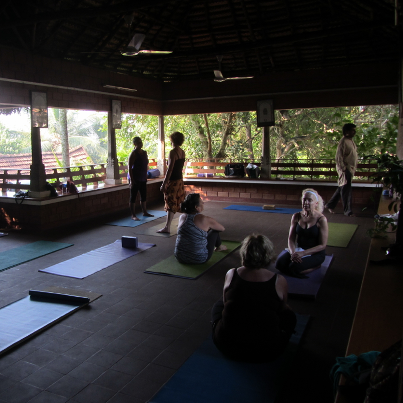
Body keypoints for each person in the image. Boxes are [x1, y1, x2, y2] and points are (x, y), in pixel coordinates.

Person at [211, 234, 296, 362]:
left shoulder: (232, 273)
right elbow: (282, 309)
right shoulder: (279, 280)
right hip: (268, 351)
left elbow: (224, 302)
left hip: (228, 346)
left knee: (218, 305)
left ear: (244, 253)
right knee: (290, 315)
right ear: (267, 255)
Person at [275, 188, 328, 278]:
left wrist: (303, 254)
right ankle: (297, 268)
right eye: (304, 200)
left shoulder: (321, 219)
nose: (306, 202)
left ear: (316, 203)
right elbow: (291, 238)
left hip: (315, 253)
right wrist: (293, 253)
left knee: (293, 268)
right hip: (299, 250)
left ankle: (316, 266)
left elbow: (323, 245)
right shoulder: (296, 216)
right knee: (279, 264)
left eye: (309, 200)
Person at [174, 193, 227, 264]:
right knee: (215, 231)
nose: (203, 203)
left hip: (179, 257)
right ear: (196, 207)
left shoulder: (182, 217)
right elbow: (222, 229)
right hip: (199, 258)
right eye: (201, 202)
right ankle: (219, 247)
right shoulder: (204, 219)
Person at [325, 123, 358, 216]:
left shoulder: (351, 141)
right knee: (346, 190)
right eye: (352, 130)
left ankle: (330, 205)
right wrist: (343, 169)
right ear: (347, 132)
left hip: (350, 169)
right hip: (345, 169)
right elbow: (338, 157)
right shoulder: (343, 142)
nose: (354, 132)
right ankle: (348, 211)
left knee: (342, 187)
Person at [157, 131, 186, 233]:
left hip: (173, 180)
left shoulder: (173, 152)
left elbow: (170, 169)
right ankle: (185, 224)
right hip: (179, 180)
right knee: (179, 201)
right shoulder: (182, 152)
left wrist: (164, 183)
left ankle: (167, 227)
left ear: (173, 140)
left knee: (170, 202)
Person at [128, 136, 154, 221]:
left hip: (143, 177)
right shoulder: (133, 153)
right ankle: (133, 215)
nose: (140, 144)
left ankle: (144, 212)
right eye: (138, 142)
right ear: (134, 144)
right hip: (135, 177)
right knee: (133, 196)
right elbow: (129, 167)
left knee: (143, 195)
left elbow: (146, 164)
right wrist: (131, 180)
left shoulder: (144, 153)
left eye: (141, 142)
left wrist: (146, 174)